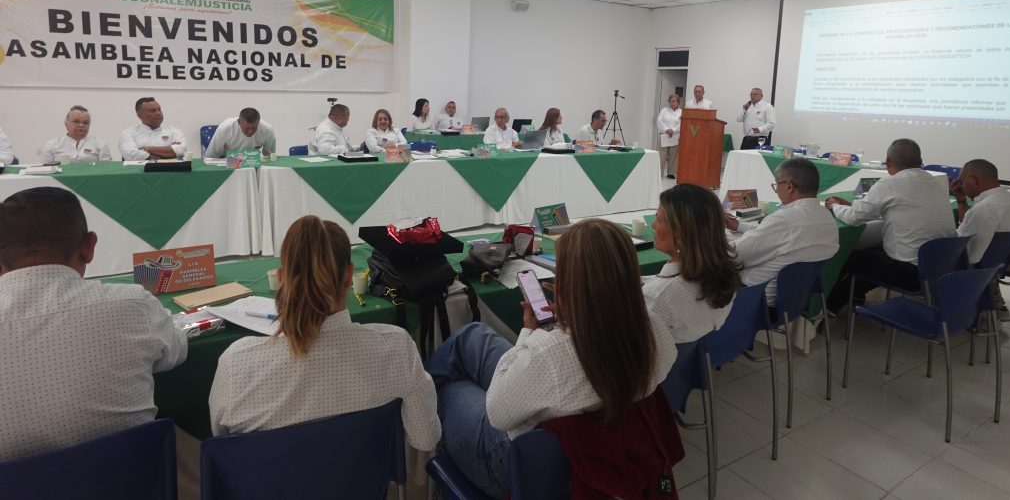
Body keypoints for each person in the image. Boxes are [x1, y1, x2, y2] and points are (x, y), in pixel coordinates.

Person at [424, 220, 677, 498]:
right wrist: (575, 314)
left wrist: (530, 333)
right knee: (473, 336)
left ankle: (418, 427)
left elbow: (497, 415)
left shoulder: (551, 351)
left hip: (519, 465)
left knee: (451, 388)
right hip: (597, 441)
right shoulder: (653, 327)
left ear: (570, 282)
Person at [208, 215, 440, 451]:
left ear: (281, 278)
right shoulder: (397, 348)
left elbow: (224, 449)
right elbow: (425, 440)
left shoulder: (236, 365)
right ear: (349, 276)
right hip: (365, 476)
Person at [0, 187, 186, 461]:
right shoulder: (132, 305)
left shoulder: (132, 305)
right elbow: (176, 351)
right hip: (132, 477)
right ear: (88, 247)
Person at [824, 139, 956, 312]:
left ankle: (828, 309)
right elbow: (895, 209)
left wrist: (833, 205)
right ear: (920, 161)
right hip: (940, 269)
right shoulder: (935, 183)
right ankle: (853, 299)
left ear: (888, 162)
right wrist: (853, 205)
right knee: (873, 252)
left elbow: (853, 218)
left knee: (851, 256)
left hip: (912, 274)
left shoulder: (889, 183)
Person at [725, 158, 839, 305]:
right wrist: (739, 226)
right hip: (794, 302)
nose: (777, 190)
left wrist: (719, 234)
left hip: (756, 299)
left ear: (789, 186)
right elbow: (773, 235)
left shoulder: (785, 219)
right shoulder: (827, 218)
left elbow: (734, 255)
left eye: (777, 185)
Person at [644, 183, 740, 342]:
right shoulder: (725, 272)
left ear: (680, 235)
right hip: (699, 353)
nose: (653, 225)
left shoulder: (659, 296)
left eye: (658, 220)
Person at [951, 159, 1010, 321]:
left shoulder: (985, 209)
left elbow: (970, 257)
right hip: (995, 267)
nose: (961, 185)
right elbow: (972, 229)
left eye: (962, 181)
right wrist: (961, 201)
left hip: (975, 271)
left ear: (974, 180)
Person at [119, 97, 188, 160]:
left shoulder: (174, 131)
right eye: (152, 111)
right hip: (141, 169)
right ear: (139, 115)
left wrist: (146, 149)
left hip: (170, 168)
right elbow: (131, 155)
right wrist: (168, 153)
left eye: (159, 109)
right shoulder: (128, 133)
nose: (158, 113)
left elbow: (182, 150)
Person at [40, 106, 112, 164]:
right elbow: (44, 170)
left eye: (85, 123)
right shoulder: (52, 145)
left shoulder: (100, 144)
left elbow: (107, 169)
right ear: (66, 124)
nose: (81, 125)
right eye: (76, 121)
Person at [204, 107, 277, 158]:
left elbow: (269, 156)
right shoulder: (225, 128)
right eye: (247, 128)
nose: (250, 132)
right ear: (239, 122)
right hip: (226, 162)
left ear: (258, 123)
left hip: (252, 162)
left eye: (254, 128)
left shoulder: (267, 130)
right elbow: (210, 156)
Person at [656, 94, 682, 179]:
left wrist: (673, 130)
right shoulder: (664, 110)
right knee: (661, 156)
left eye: (674, 101)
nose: (672, 103)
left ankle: (671, 172)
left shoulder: (681, 112)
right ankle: (659, 172)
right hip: (664, 135)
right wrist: (667, 130)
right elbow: (659, 121)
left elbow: (682, 124)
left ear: (678, 102)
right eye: (670, 101)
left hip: (675, 135)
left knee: (673, 156)